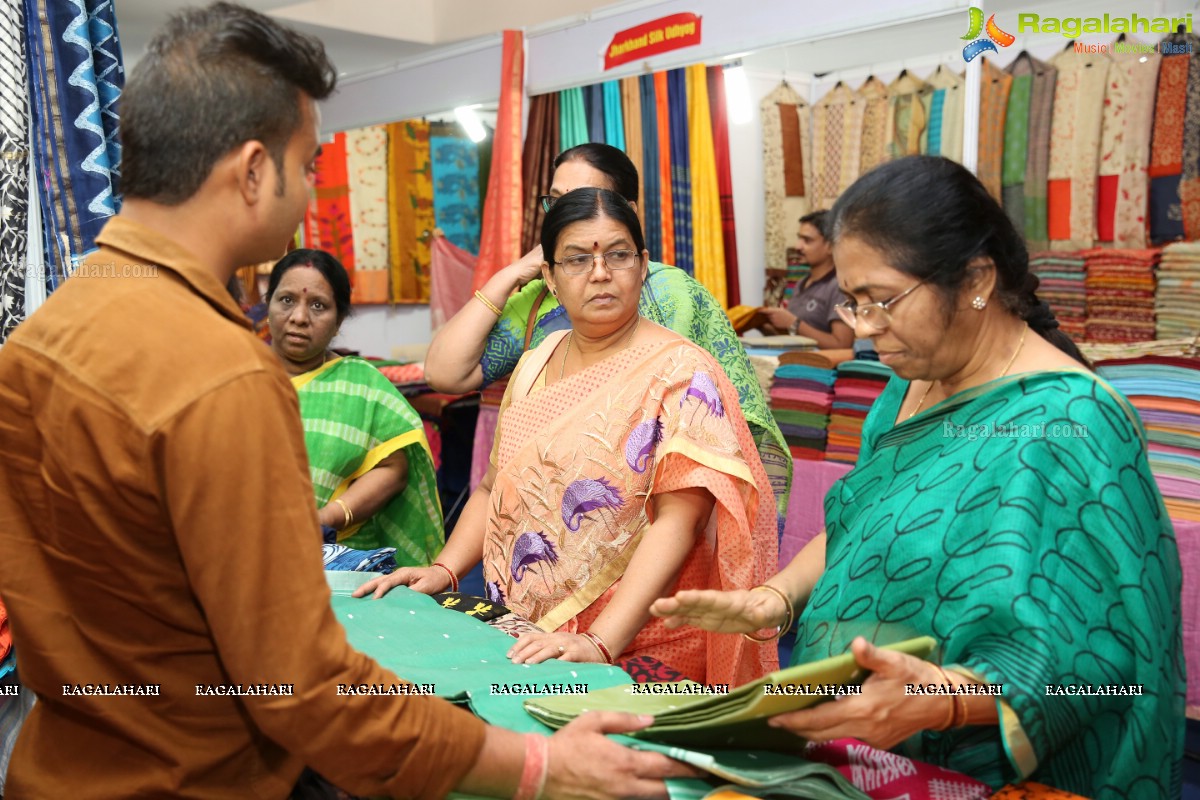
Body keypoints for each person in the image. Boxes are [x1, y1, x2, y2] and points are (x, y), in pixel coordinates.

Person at [0, 4, 692, 798]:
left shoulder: (43, 334)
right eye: (306, 165)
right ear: (253, 170)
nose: (306, 193)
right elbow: (305, 690)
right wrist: (538, 766)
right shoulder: (221, 375)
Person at [651, 156, 1185, 798]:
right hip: (855, 744)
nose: (866, 330)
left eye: (883, 301)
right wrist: (774, 598)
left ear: (977, 280)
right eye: (853, 303)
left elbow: (1109, 667)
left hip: (976, 771)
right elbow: (861, 528)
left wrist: (943, 703)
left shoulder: (1075, 422)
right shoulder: (910, 388)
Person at [359, 188, 780, 686]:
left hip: (637, 642)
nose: (600, 273)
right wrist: (445, 570)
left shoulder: (681, 372)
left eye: (618, 255)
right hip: (523, 634)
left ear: (643, 265)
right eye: (577, 259)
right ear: (551, 279)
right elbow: (496, 487)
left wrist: (600, 641)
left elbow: (678, 524)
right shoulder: (538, 358)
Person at [424, 143, 793, 531]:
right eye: (556, 201)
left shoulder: (672, 293)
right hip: (555, 517)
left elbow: (696, 426)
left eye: (583, 199)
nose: (566, 213)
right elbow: (446, 374)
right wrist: (514, 273)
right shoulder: (539, 299)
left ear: (626, 212)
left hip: (655, 514)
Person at [266, 248, 442, 567]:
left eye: (318, 305)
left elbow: (394, 469)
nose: (299, 317)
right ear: (268, 305)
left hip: (337, 560)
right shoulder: (236, 376)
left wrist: (328, 518)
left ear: (339, 321)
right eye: (287, 300)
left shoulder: (361, 384)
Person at [755, 210, 854, 349]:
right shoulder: (802, 283)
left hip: (821, 368)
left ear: (830, 246)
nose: (798, 246)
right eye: (799, 239)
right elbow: (795, 339)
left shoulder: (839, 287)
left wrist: (794, 323)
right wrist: (762, 325)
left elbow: (842, 345)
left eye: (807, 241)